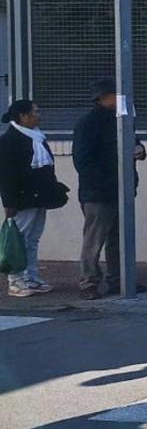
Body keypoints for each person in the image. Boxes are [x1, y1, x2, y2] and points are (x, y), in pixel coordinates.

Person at [71, 79, 146, 298]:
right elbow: (83, 161)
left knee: (119, 239)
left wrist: (139, 150)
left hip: (121, 190)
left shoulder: (123, 120)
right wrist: (107, 182)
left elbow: (134, 143)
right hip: (99, 193)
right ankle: (89, 281)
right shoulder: (89, 123)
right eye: (116, 94)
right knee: (95, 238)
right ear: (103, 98)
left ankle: (119, 280)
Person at [2, 99, 62, 297]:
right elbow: (7, 175)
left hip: (39, 197)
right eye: (35, 112)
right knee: (20, 239)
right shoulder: (9, 141)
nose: (39, 115)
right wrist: (9, 203)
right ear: (23, 116)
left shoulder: (37, 137)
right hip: (22, 199)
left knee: (33, 238)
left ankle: (31, 276)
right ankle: (15, 280)